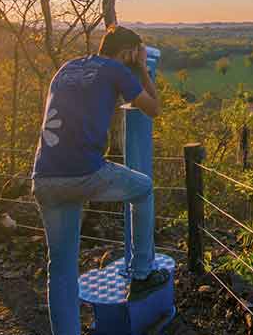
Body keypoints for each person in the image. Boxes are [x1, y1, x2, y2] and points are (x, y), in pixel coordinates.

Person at [31, 25, 167, 335]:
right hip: (84, 172)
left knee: (61, 271)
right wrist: (143, 70)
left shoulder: (66, 69)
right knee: (143, 188)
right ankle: (143, 271)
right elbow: (153, 109)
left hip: (45, 177)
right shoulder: (117, 70)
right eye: (136, 53)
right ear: (128, 52)